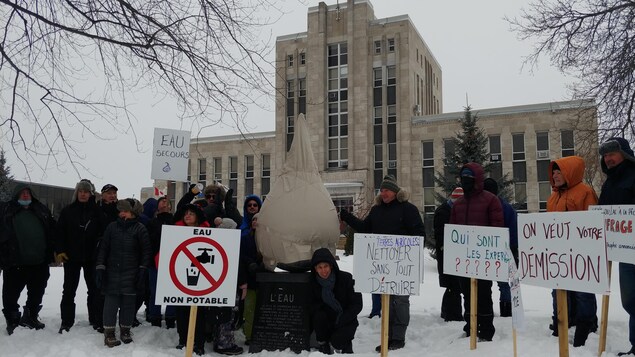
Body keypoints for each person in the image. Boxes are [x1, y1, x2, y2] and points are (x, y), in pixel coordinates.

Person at [339, 174, 425, 351]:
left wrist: (404, 250)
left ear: (395, 192)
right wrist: (347, 217)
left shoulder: (408, 209)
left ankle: (398, 338)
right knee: (386, 301)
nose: (383, 193)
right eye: (382, 190)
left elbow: (419, 234)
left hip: (402, 266)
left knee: (400, 301)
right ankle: (388, 336)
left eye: (386, 190)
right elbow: (365, 228)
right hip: (383, 266)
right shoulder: (377, 210)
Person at [547, 156, 598, 347]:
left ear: (570, 172)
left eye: (559, 171)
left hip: (581, 252)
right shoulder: (553, 196)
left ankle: (587, 324)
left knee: (583, 291)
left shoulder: (585, 192)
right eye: (554, 171)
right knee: (558, 289)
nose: (555, 175)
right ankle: (560, 320)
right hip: (558, 253)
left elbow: (593, 224)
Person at [450, 163, 504, 342]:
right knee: (467, 293)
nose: (464, 181)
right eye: (462, 178)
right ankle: (470, 325)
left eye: (468, 178)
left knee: (483, 293)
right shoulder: (458, 204)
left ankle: (486, 328)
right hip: (464, 260)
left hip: (483, 259)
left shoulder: (490, 200)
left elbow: (497, 227)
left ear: (476, 180)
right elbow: (453, 231)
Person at [0, 183, 56, 335]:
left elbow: (53, 231)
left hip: (39, 262)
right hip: (14, 262)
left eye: (28, 193)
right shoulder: (6, 210)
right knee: (11, 294)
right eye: (22, 193)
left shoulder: (41, 210)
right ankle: (12, 320)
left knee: (37, 292)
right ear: (16, 195)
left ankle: (30, 317)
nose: (25, 195)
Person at [597, 137, 635, 356]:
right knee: (630, 300)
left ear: (624, 153)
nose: (608, 159)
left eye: (612, 153)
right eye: (605, 155)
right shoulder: (609, 182)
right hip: (624, 251)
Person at [95, 198, 151, 347]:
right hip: (112, 272)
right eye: (121, 211)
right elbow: (104, 248)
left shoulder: (140, 229)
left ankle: (125, 330)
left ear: (133, 213)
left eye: (125, 211)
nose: (122, 214)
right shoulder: (112, 227)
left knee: (128, 304)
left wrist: (142, 269)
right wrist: (100, 266)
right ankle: (109, 333)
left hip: (132, 272)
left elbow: (146, 252)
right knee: (110, 304)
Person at [55, 179, 105, 333]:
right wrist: (60, 250)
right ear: (77, 193)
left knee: (94, 290)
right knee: (69, 290)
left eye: (86, 192)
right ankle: (66, 321)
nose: (83, 194)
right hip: (71, 257)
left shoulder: (97, 212)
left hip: (92, 258)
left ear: (91, 194)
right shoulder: (67, 211)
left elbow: (103, 234)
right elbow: (59, 233)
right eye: (81, 191)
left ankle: (96, 319)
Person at [309, 248, 362, 354]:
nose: (323, 271)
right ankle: (323, 344)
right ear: (315, 268)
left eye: (326, 266)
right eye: (320, 267)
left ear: (331, 265)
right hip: (327, 321)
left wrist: (342, 319)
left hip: (346, 319)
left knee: (338, 342)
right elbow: (312, 305)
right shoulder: (313, 283)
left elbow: (357, 304)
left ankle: (345, 342)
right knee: (319, 316)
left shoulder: (346, 279)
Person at [482, 178, 518, 318]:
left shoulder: (488, 206)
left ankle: (491, 311)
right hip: (504, 249)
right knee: (503, 283)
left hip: (492, 251)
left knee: (489, 284)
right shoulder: (506, 206)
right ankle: (506, 312)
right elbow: (514, 230)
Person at [434, 187, 464, 322]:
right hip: (447, 253)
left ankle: (447, 312)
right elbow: (440, 234)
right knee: (453, 286)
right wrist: (445, 247)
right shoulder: (443, 212)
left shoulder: (451, 210)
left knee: (454, 286)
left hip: (456, 253)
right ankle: (453, 315)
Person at [146, 196, 176, 328]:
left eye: (166, 201)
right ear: (157, 207)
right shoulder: (152, 222)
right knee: (155, 291)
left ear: (170, 206)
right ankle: (155, 317)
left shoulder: (176, 221)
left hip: (172, 262)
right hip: (155, 261)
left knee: (172, 290)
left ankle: (170, 316)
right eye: (161, 201)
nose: (164, 202)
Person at [238, 195, 262, 342]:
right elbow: (240, 254)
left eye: (255, 205)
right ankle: (249, 334)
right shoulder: (244, 235)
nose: (252, 207)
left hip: (264, 276)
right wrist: (249, 263)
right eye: (249, 205)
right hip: (248, 277)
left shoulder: (268, 236)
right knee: (249, 307)